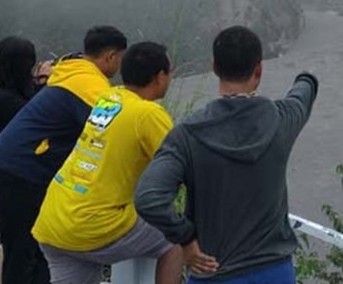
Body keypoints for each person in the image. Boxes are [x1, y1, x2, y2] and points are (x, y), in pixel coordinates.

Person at [135, 25, 318, 284]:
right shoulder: (281, 119)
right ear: (259, 69)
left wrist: (186, 238)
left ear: (214, 66)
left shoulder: (187, 135)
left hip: (214, 271)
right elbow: (303, 96)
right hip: (275, 271)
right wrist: (306, 78)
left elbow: (148, 198)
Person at [0, 25, 127, 284]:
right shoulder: (90, 85)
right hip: (19, 173)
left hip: (9, 169)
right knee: (24, 251)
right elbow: (118, 126)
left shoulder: (69, 70)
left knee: (34, 249)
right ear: (111, 57)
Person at [32, 41, 183, 284]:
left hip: (54, 220)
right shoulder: (148, 114)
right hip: (93, 224)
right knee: (174, 241)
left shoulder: (109, 97)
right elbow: (183, 165)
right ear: (159, 76)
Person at [0, 45, 54, 284]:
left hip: (11, 175)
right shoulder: (0, 98)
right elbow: (37, 113)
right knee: (20, 247)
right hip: (13, 178)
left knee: (15, 242)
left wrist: (39, 83)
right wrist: (46, 83)